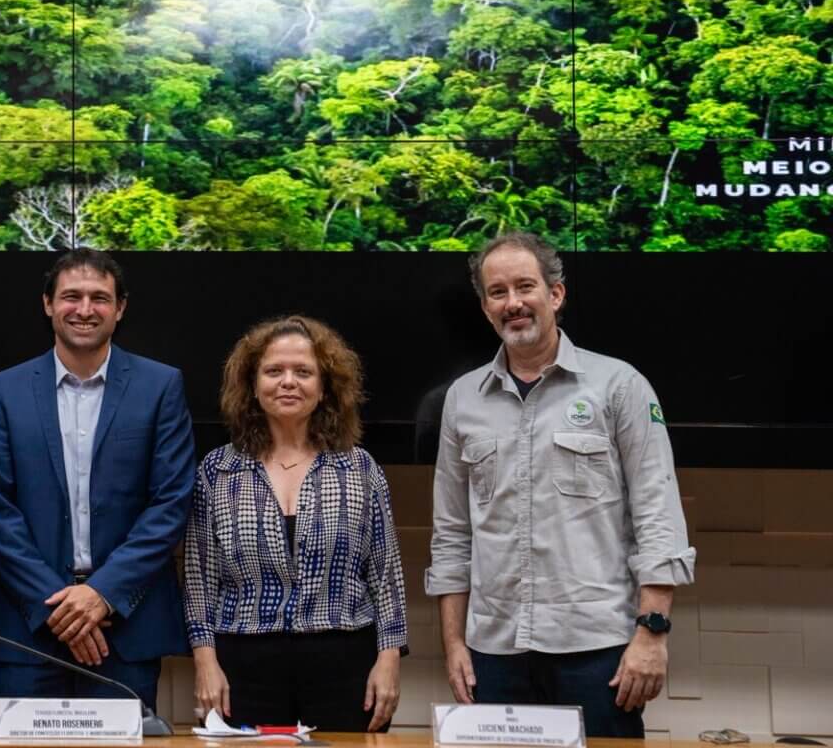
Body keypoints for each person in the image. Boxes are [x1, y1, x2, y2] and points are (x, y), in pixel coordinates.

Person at [425, 232, 696, 738]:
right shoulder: (461, 401)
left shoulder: (619, 386)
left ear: (555, 294)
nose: (514, 303)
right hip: (495, 653)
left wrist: (652, 632)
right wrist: (455, 644)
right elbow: (452, 533)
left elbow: (658, 515)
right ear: (485, 307)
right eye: (498, 292)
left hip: (597, 651)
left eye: (525, 286)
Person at [0, 249, 195, 707]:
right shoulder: (4, 390)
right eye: (71, 296)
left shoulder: (161, 386)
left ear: (120, 308)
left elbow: (170, 502)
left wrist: (101, 594)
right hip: (31, 629)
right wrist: (59, 609)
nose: (85, 309)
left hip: (127, 628)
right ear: (48, 304)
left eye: (100, 297)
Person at [184, 315, 407, 732]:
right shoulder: (217, 471)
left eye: (303, 372)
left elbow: (386, 576)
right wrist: (205, 661)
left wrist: (389, 658)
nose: (288, 382)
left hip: (345, 661)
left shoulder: (360, 468)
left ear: (324, 388)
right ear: (252, 384)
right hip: (243, 664)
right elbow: (200, 581)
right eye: (274, 371)